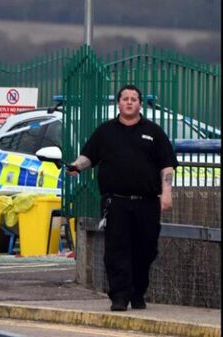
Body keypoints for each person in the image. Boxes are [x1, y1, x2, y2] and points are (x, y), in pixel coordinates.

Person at [65, 84, 178, 311]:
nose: (129, 102)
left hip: (146, 203)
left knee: (146, 249)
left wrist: (166, 194)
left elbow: (167, 166)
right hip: (115, 202)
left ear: (139, 103)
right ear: (118, 103)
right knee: (117, 250)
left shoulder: (153, 132)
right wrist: (77, 166)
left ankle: (137, 292)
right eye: (125, 98)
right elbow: (89, 156)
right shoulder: (106, 131)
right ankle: (119, 296)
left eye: (133, 99)